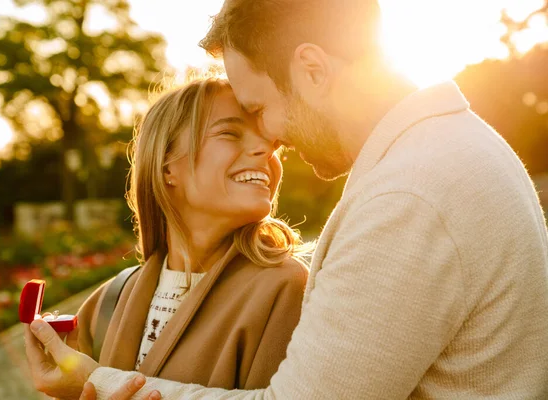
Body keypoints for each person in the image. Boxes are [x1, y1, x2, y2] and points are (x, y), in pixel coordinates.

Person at [28, 0, 548, 398]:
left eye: (259, 106)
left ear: (313, 71)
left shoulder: (409, 195)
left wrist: (99, 384)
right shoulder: (439, 155)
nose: (271, 137)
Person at [23, 78, 310, 399]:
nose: (265, 151)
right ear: (166, 167)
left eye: (272, 143)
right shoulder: (107, 302)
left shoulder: (286, 287)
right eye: (230, 132)